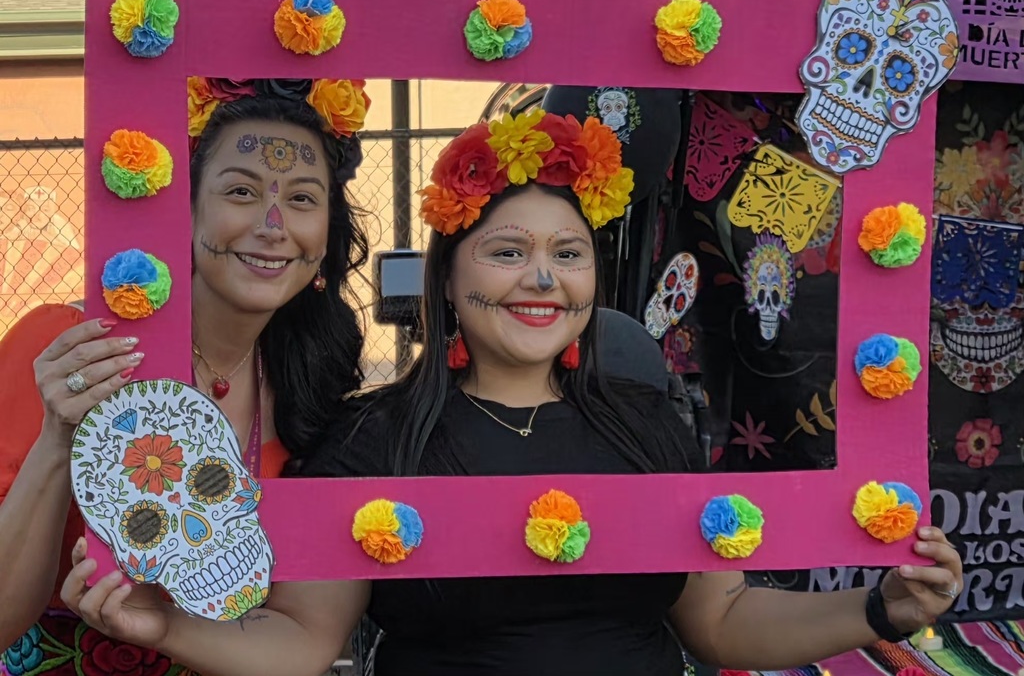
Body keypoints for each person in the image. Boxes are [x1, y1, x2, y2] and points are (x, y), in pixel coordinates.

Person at [58, 111, 962, 676]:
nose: (542, 279)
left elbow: (721, 621)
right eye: (506, 251)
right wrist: (164, 625)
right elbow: (298, 638)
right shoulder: (371, 440)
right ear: (448, 281)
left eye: (567, 255)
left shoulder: (651, 421)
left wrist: (880, 607)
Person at [0, 78, 370, 674]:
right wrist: (57, 441)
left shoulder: (317, 392)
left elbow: (304, 636)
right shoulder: (69, 352)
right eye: (242, 192)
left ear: (327, 237)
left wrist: (167, 627)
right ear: (186, 207)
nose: (273, 224)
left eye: (302, 199)